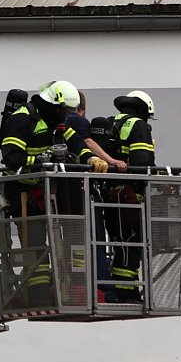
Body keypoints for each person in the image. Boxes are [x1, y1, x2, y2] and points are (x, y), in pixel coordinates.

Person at [0, 80, 109, 306]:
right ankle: (38, 297)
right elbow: (11, 158)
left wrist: (91, 158)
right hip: (26, 195)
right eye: (65, 110)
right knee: (36, 247)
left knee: (72, 236)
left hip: (53, 192)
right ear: (53, 104)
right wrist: (42, 162)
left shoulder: (55, 121)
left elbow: (75, 143)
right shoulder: (22, 119)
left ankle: (72, 289)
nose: (67, 115)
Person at [65, 91, 126, 302]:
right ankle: (104, 290)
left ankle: (79, 285)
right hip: (84, 190)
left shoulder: (56, 125)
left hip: (65, 194)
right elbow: (88, 143)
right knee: (96, 239)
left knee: (75, 242)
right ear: (81, 107)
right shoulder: (76, 121)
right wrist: (112, 161)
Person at [104, 90, 156, 303]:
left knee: (118, 242)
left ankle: (123, 290)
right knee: (133, 244)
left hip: (107, 195)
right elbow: (142, 164)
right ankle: (128, 292)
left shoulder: (109, 122)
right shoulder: (138, 126)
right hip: (129, 196)